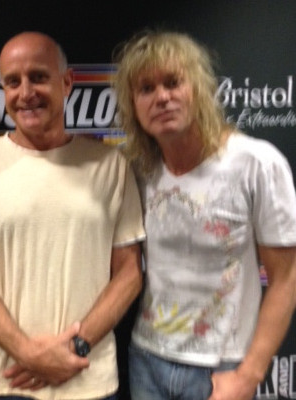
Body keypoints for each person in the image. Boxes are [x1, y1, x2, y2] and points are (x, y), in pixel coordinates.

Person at [0, 31, 146, 400]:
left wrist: (75, 348)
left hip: (87, 381)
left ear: (66, 82)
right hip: (5, 382)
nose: (26, 93)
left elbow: (129, 273)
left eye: (38, 76)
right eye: (12, 82)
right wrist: (29, 353)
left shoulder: (110, 165)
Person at [112, 29, 296, 400]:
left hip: (221, 366)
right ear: (133, 106)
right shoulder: (138, 169)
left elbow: (286, 277)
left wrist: (249, 374)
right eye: (146, 89)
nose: (162, 97)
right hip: (147, 357)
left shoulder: (255, 162)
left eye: (173, 82)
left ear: (198, 88)